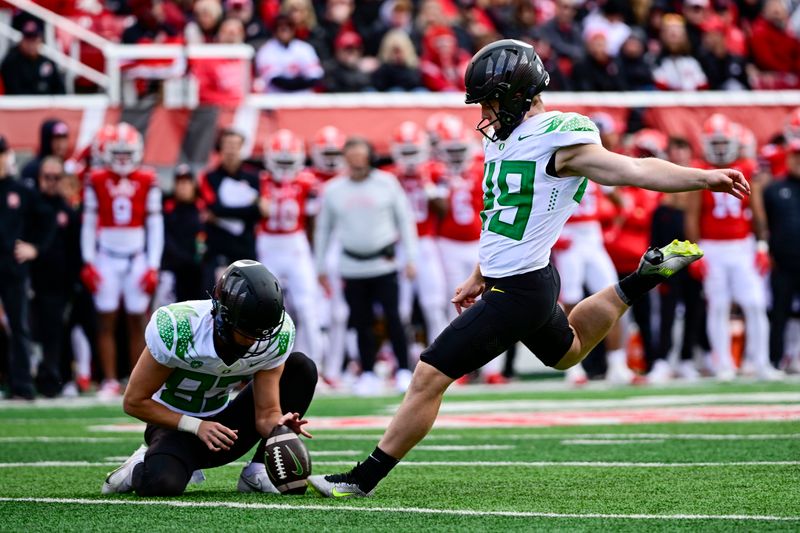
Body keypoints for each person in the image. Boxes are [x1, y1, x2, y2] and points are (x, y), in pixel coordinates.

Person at [307, 39, 749, 498]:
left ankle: (363, 478)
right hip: (527, 280)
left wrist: (704, 177)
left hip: (520, 289)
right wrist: (481, 272)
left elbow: (634, 170)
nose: (487, 112)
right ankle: (643, 278)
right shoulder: (506, 139)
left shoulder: (562, 139)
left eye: (492, 101)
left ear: (518, 94)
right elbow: (504, 215)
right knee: (569, 352)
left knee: (429, 375)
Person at [100, 260, 317, 496]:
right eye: (248, 331)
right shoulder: (179, 326)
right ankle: (137, 467)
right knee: (161, 484)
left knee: (300, 368)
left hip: (225, 428)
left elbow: (266, 415)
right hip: (175, 425)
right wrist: (196, 426)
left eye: (261, 332)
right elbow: (133, 401)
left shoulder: (275, 335)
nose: (257, 341)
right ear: (224, 314)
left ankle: (258, 471)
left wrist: (279, 428)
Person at [314, 137, 418, 396]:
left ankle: (403, 369)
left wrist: (411, 258)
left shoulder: (387, 183)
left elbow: (404, 220)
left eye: (361, 155)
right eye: (351, 156)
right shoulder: (333, 189)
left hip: (384, 262)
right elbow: (323, 228)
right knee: (361, 322)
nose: (357, 160)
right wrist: (320, 266)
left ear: (370, 156)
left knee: (395, 318)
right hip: (352, 264)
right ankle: (368, 371)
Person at [684, 113, 781, 381]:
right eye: (714, 143)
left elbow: (757, 211)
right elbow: (692, 215)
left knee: (755, 303)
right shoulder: (699, 169)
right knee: (718, 305)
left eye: (722, 142)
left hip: (741, 245)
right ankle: (723, 364)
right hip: (712, 247)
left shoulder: (747, 167)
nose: (719, 149)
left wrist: (761, 245)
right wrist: (695, 252)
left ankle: (760, 362)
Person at [80, 123, 164, 399]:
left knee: (138, 320)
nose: (123, 159)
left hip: (136, 256)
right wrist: (89, 260)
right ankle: (109, 380)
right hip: (107, 255)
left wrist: (152, 264)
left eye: (128, 153)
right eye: (118, 153)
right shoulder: (97, 178)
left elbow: (155, 225)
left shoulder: (147, 178)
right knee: (106, 319)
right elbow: (90, 223)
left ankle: (137, 379)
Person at [257, 129, 324, 378]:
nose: (284, 167)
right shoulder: (260, 180)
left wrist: (313, 251)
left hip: (295, 243)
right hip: (268, 243)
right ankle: (265, 365)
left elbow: (312, 221)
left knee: (307, 306)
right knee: (267, 308)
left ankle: (317, 365)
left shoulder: (306, 181)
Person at [0, 135, 56, 399]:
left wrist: (35, 248)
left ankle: (21, 385)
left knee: (19, 327)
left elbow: (48, 220)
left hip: (12, 270)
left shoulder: (20, 190)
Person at [384, 122, 448, 349]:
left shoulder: (434, 170)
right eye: (406, 152)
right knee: (398, 307)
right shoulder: (388, 177)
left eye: (414, 151)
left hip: (426, 242)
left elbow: (443, 209)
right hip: (398, 244)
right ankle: (397, 357)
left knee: (434, 304)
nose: (410, 158)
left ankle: (443, 355)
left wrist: (428, 187)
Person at [29, 157, 81, 397]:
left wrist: (73, 283)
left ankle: (54, 381)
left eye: (56, 177)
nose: (51, 182)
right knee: (28, 332)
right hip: (29, 281)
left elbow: (74, 251)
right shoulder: (29, 205)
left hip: (58, 284)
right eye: (47, 177)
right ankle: (25, 378)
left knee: (56, 333)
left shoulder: (67, 211)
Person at [199, 128, 267, 290]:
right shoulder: (210, 177)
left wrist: (223, 213)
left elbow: (258, 212)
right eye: (227, 145)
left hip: (245, 246)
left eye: (235, 145)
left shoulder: (253, 177)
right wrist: (247, 209)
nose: (231, 150)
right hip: (217, 247)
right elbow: (214, 207)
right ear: (220, 148)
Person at [762, 138, 800, 370]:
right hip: (782, 263)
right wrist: (764, 250)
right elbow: (763, 223)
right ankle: (774, 361)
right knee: (778, 313)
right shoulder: (774, 189)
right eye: (795, 155)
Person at [162, 165, 205, 304]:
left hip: (196, 270)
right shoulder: (167, 207)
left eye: (187, 182)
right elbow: (165, 238)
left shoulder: (202, 208)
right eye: (179, 182)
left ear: (193, 185)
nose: (183, 186)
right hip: (172, 268)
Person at [254, 15, 323, 93]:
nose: (285, 29)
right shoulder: (265, 51)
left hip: (303, 99)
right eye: (280, 26)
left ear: (294, 29)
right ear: (274, 30)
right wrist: (300, 80)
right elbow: (277, 81)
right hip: (275, 99)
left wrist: (296, 82)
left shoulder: (305, 48)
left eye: (289, 25)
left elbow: (315, 78)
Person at [0, 20, 65, 96]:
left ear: (40, 40)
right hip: (20, 106)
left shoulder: (47, 61)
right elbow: (15, 92)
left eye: (34, 39)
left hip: (46, 106)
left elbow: (60, 90)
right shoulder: (11, 62)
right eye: (27, 39)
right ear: (22, 40)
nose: (31, 44)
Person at [20, 119, 70, 188]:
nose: (62, 144)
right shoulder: (32, 169)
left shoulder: (68, 167)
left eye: (64, 138)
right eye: (57, 139)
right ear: (47, 140)